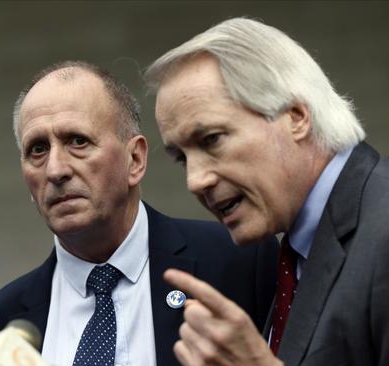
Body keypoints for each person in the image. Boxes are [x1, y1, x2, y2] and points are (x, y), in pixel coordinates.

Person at [0, 60, 278, 366]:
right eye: (37, 149)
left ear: (135, 159)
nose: (56, 169)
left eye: (78, 141)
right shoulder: (4, 318)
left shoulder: (237, 261)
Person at [145, 17, 389, 366]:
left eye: (212, 140)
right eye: (182, 158)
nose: (195, 181)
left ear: (296, 116)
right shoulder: (295, 253)